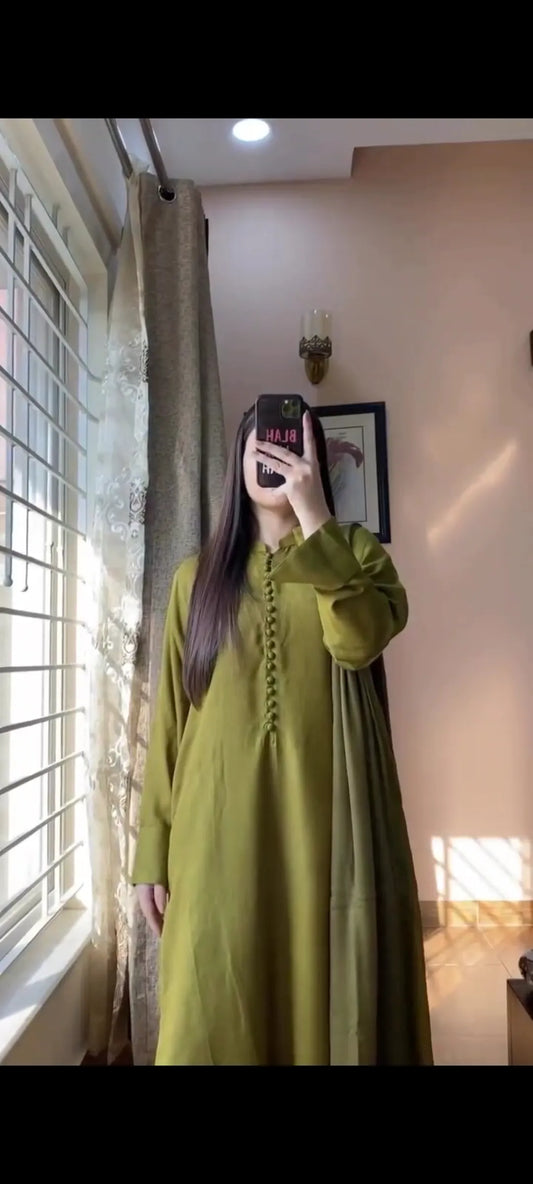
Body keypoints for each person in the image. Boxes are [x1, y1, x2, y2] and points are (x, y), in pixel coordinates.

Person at [133, 403, 433, 1066]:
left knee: (321, 999)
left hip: (327, 831)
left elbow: (357, 641)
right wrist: (152, 852)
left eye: (292, 448)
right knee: (210, 1005)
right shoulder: (194, 580)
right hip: (212, 836)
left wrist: (314, 516)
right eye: (260, 447)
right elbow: (170, 721)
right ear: (237, 464)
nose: (273, 458)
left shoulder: (356, 554)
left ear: (315, 464)